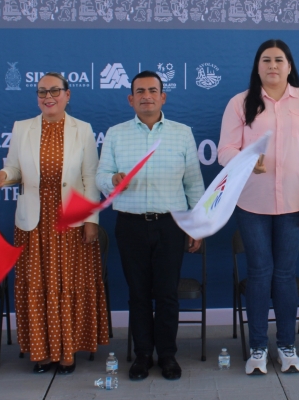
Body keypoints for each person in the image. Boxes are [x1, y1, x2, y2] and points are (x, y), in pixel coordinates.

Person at [217, 39, 299, 375]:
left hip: (295, 203)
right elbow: (224, 151)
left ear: (289, 66)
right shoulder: (240, 103)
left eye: (279, 60)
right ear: (257, 67)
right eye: (266, 60)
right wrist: (246, 160)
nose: (272, 66)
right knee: (259, 273)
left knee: (284, 275)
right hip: (252, 203)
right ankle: (256, 348)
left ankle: (286, 346)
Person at [0, 72, 109, 374]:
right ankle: (42, 351)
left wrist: (91, 220)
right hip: (33, 224)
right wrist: (4, 176)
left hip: (71, 222)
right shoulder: (23, 128)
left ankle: (67, 352)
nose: (48, 97)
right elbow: (14, 168)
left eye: (55, 90)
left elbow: (90, 178)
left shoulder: (82, 129)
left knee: (68, 284)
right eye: (42, 91)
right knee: (38, 285)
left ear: (68, 95)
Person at [96, 71, 204, 381]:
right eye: (140, 91)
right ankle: (143, 354)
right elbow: (101, 176)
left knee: (167, 294)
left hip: (170, 225)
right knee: (139, 294)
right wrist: (113, 180)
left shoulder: (182, 133)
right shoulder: (116, 134)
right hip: (130, 225)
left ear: (163, 97)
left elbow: (193, 183)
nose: (147, 96)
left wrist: (196, 226)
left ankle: (167, 355)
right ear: (130, 99)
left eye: (153, 91)